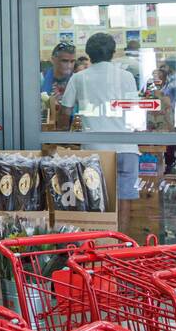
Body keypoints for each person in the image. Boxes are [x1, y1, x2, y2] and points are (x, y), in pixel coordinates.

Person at [59, 32, 141, 228]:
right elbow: (135, 112)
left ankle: (98, 245)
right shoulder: (127, 76)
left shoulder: (79, 78)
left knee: (95, 201)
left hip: (94, 149)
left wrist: (63, 132)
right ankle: (121, 246)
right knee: (124, 201)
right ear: (113, 53)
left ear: (88, 54)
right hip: (126, 148)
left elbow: (65, 110)